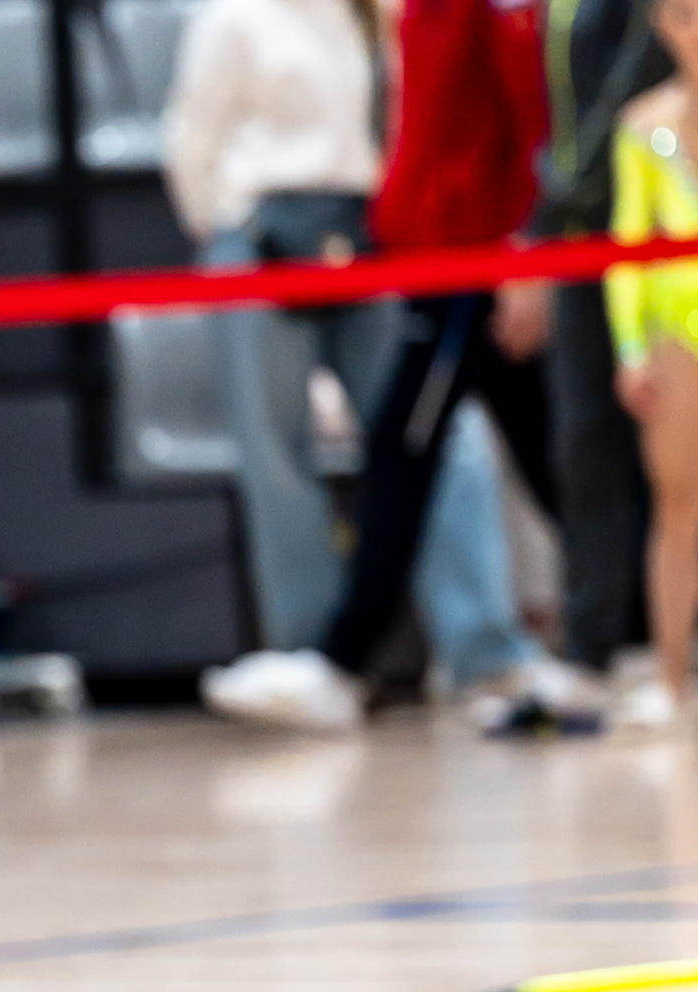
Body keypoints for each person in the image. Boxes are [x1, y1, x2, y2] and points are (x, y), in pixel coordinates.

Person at [200, 0, 589, 731]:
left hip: (463, 260)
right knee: (534, 449)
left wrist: (522, 251)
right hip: (418, 256)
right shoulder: (395, 17)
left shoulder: (474, 10)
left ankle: (349, 659)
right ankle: (619, 628)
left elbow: (524, 119)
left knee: (410, 453)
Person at [163, 0, 394, 650]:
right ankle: (309, 651)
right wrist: (228, 229)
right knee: (278, 453)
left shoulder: (370, 12)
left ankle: (480, 646)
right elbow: (192, 137)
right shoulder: (231, 16)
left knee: (423, 437)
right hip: (261, 232)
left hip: (361, 229)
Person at [496, 0, 673, 681]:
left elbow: (631, 89)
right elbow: (562, 120)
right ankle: (591, 643)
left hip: (649, 231)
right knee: (583, 448)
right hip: (578, 246)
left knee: (673, 455)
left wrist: (549, 213)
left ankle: (666, 640)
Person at [606, 0, 698, 729]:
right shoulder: (644, 126)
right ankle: (670, 673)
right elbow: (627, 249)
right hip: (677, 333)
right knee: (677, 503)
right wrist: (632, 349)